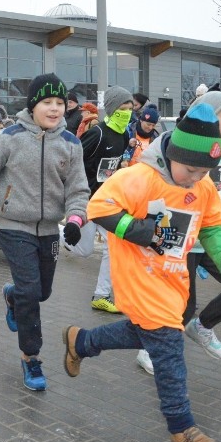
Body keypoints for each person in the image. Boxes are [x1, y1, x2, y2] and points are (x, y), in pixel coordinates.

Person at [62, 103, 221, 442]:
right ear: (173, 154)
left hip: (173, 282)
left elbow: (214, 227)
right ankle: (182, 429)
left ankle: (81, 342)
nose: (196, 178)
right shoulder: (140, 177)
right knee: (169, 353)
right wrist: (140, 231)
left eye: (205, 172)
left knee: (142, 333)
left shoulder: (202, 188)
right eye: (190, 169)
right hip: (139, 279)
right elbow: (100, 207)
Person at [0, 73, 90, 391]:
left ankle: (12, 295)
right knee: (32, 293)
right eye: (47, 102)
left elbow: (78, 190)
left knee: (41, 292)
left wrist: (76, 220)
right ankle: (30, 357)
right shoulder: (9, 137)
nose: (54, 108)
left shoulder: (71, 144)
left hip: (49, 229)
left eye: (60, 102)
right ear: (33, 105)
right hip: (13, 226)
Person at [134, 92, 221, 375]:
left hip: (214, 237)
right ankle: (149, 350)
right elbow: (188, 202)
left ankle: (202, 327)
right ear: (204, 116)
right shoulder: (183, 149)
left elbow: (218, 195)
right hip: (182, 238)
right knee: (182, 305)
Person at [80, 86, 134, 313]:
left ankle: (101, 296)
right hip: (85, 199)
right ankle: (55, 233)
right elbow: (74, 161)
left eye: (130, 108)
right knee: (81, 251)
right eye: (123, 108)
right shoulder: (97, 133)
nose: (127, 112)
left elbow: (114, 165)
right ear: (112, 109)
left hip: (106, 202)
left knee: (114, 245)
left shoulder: (124, 135)